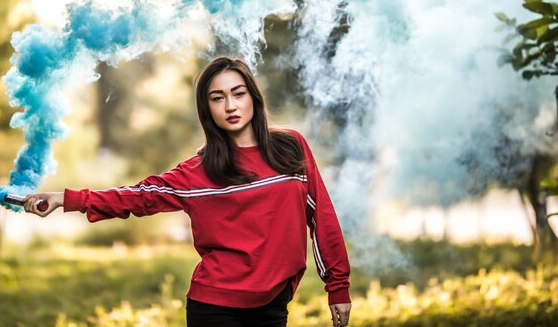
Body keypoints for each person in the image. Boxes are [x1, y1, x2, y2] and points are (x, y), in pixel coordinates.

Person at [24, 56, 352, 327]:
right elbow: (137, 196)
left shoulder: (290, 148)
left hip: (273, 304)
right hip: (214, 307)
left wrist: (338, 287)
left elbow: (321, 217)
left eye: (238, 93)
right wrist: (64, 199)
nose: (230, 105)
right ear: (206, 108)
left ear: (253, 97)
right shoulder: (196, 172)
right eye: (217, 98)